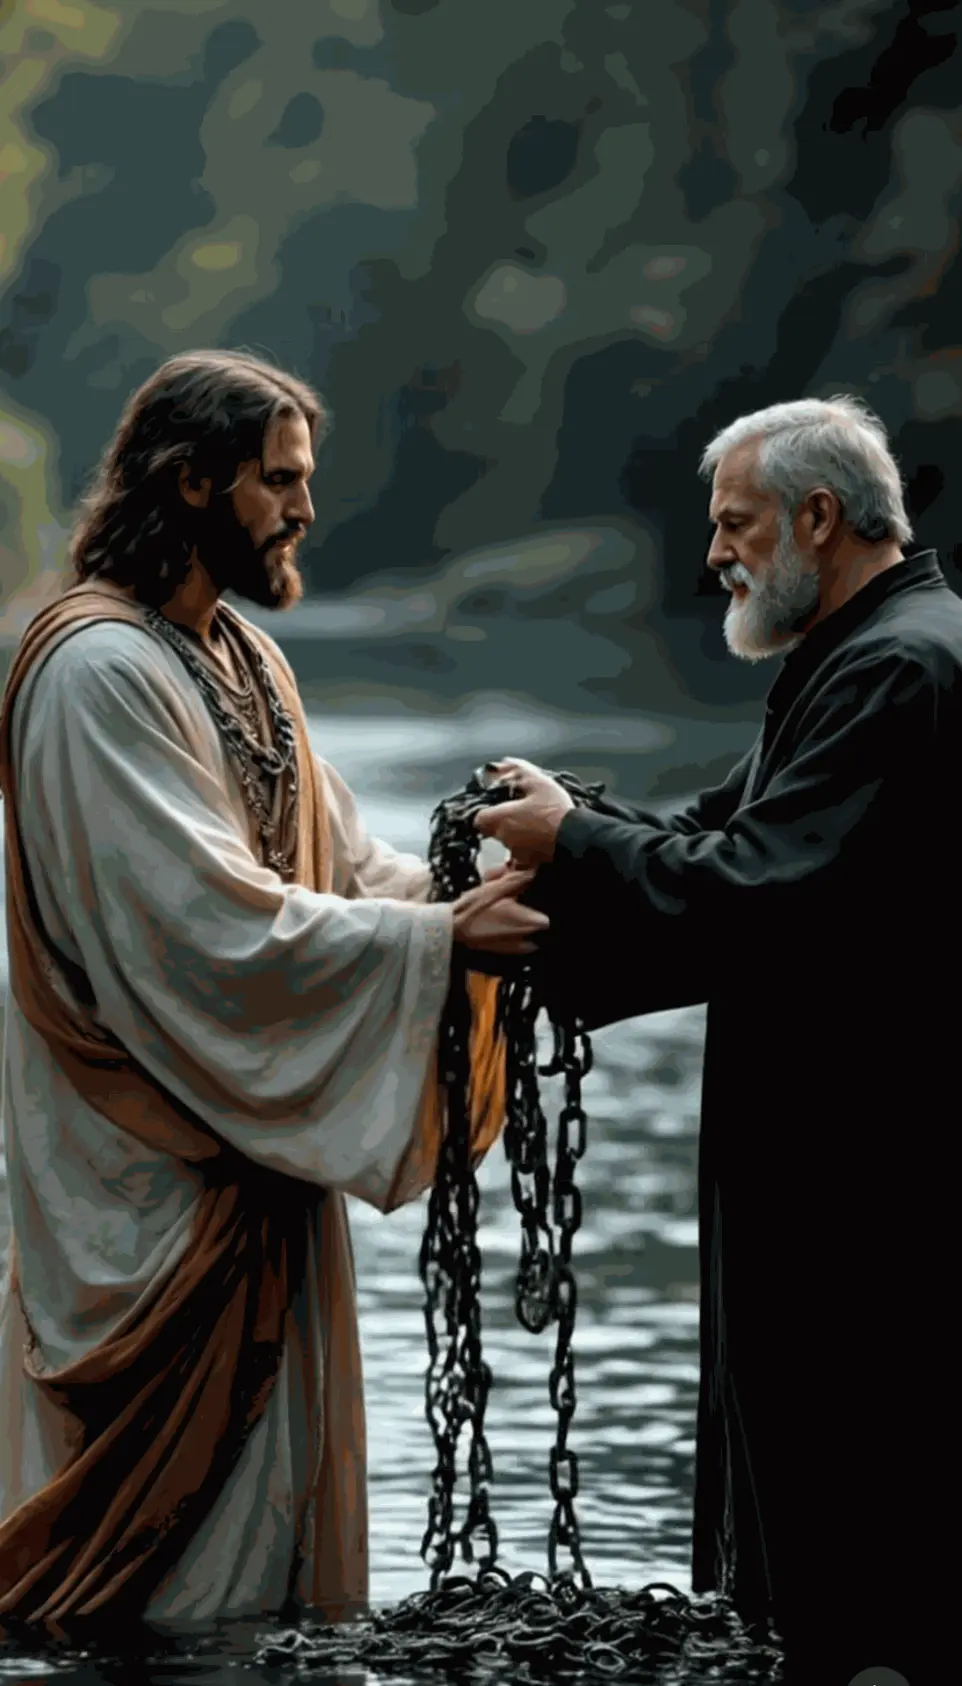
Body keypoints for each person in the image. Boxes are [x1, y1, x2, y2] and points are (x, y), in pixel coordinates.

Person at [0, 350, 547, 1637]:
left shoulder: (239, 657)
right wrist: (436, 945)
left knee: (266, 1562)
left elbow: (336, 868)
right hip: (148, 1188)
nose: (304, 508)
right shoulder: (96, 672)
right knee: (156, 1593)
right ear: (192, 482)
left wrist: (477, 893)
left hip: (247, 1169)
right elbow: (203, 930)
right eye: (279, 481)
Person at [476, 396, 957, 1684]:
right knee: (819, 1462)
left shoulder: (898, 670)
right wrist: (566, 828)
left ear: (818, 517)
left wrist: (572, 844)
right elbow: (709, 836)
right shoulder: (863, 652)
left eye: (735, 525)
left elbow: (758, 888)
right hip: (833, 1150)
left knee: (857, 1474)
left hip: (871, 1170)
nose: (713, 556)